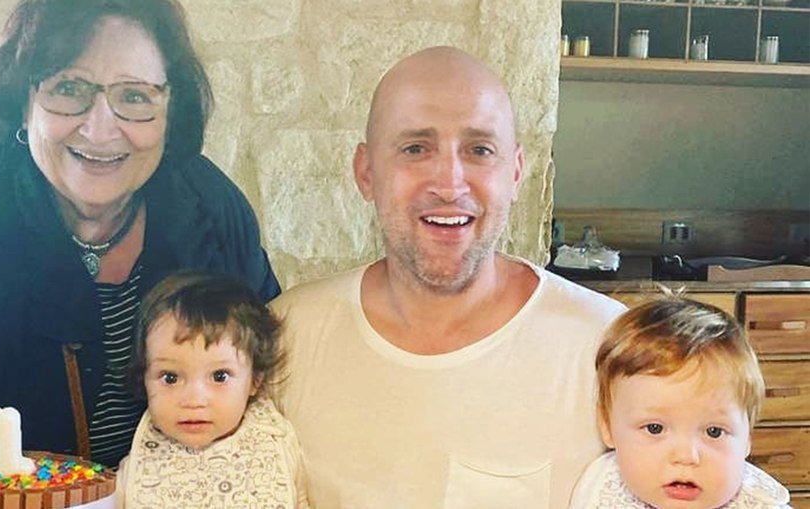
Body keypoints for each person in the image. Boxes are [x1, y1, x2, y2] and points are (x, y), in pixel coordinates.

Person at [0, 0, 279, 466]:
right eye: (68, 88)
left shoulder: (214, 214)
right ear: (23, 103)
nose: (100, 130)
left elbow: (268, 376)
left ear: (171, 112)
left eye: (135, 96)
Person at [270, 46, 627, 509]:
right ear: (366, 172)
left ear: (515, 173)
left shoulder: (609, 347)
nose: (449, 184)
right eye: (416, 149)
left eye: (479, 150)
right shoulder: (284, 338)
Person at [570, 297, 791, 509]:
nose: (686, 456)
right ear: (607, 426)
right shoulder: (600, 486)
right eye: (655, 428)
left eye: (714, 432)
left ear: (747, 438)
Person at [116, 271, 308, 507]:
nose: (194, 400)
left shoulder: (272, 441)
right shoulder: (135, 471)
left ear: (255, 380)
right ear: (144, 377)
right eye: (170, 377)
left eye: (219, 376)